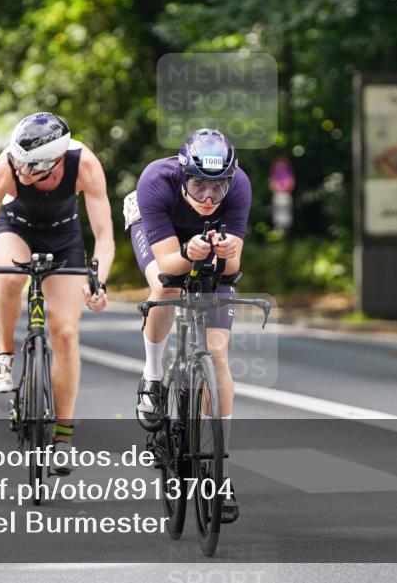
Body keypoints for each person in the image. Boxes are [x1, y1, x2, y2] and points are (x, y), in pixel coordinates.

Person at [0, 112, 115, 476]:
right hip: (16, 227)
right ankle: (3, 351)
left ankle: (62, 436)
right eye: (21, 167)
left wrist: (99, 282)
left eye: (34, 171)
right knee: (9, 278)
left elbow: (105, 236)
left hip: (64, 236)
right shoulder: (5, 167)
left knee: (64, 331)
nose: (24, 176)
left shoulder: (85, 164)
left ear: (57, 161)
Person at [123, 128, 251, 523]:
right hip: (159, 232)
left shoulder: (240, 186)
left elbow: (232, 269)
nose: (210, 197)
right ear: (183, 177)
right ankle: (154, 375)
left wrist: (227, 254)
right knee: (165, 290)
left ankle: (218, 471)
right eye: (199, 186)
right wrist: (187, 251)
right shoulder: (156, 181)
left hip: (201, 246)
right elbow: (168, 267)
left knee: (216, 353)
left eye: (218, 188)